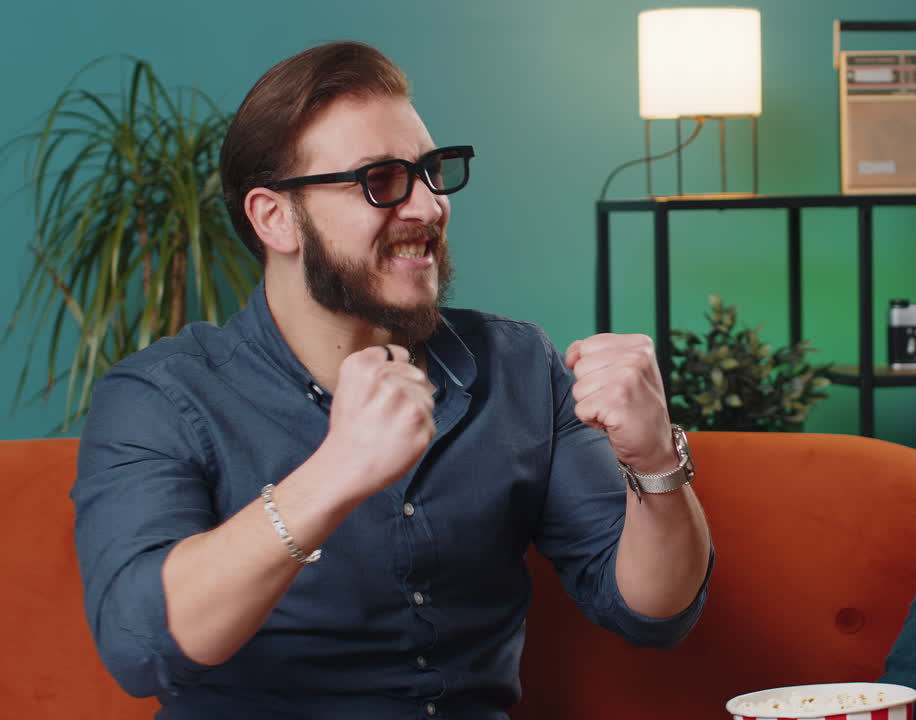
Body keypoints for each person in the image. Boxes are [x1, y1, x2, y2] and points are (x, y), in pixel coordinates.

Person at [72, 41, 712, 720]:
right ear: (275, 218)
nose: (429, 207)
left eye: (431, 172)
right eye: (381, 180)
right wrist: (337, 472)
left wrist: (656, 463)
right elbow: (140, 647)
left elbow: (653, 612)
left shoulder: (520, 364)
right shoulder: (159, 398)